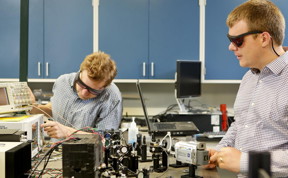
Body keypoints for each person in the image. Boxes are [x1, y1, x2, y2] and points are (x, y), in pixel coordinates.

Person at [205, 0, 288, 177]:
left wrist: (246, 162)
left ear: (264, 38)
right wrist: (220, 151)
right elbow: (241, 124)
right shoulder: (249, 78)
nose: (231, 47)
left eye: (238, 40)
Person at [30, 51, 123, 139]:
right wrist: (34, 108)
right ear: (80, 72)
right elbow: (55, 109)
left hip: (89, 154)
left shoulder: (111, 96)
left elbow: (105, 140)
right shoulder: (62, 82)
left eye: (93, 90)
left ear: (105, 86)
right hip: (55, 152)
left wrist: (67, 132)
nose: (84, 93)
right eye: (82, 84)